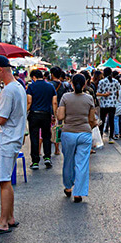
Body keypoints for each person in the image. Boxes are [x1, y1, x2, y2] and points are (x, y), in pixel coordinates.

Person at [0, 55, 27, 235]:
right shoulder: (18, 87)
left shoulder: (9, 90)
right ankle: (8, 217)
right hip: (12, 138)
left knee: (3, 181)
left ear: (0, 69)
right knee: (6, 180)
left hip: (6, 140)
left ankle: (3, 221)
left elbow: (1, 118)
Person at [56, 73, 98, 203]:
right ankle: (78, 193)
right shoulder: (89, 98)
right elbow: (91, 119)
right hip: (84, 133)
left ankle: (68, 187)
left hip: (68, 133)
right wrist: (91, 125)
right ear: (85, 83)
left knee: (68, 161)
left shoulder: (65, 97)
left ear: (71, 84)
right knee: (82, 164)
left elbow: (60, 117)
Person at [26, 69, 58, 169]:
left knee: (34, 137)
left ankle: (35, 162)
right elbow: (54, 103)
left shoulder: (31, 86)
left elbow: (29, 102)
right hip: (46, 115)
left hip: (34, 115)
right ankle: (47, 157)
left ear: (34, 77)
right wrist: (55, 115)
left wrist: (24, 112)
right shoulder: (50, 86)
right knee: (46, 136)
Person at [96, 67, 120, 143]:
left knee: (102, 120)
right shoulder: (115, 81)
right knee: (111, 120)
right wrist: (115, 98)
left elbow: (97, 93)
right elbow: (118, 92)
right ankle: (111, 137)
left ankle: (101, 135)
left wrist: (104, 95)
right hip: (113, 104)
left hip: (104, 104)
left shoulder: (102, 82)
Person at [49, 67, 69, 155]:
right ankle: (57, 149)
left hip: (51, 108)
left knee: (49, 129)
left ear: (52, 74)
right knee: (58, 128)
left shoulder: (50, 85)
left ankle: (46, 150)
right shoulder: (65, 85)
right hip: (62, 109)